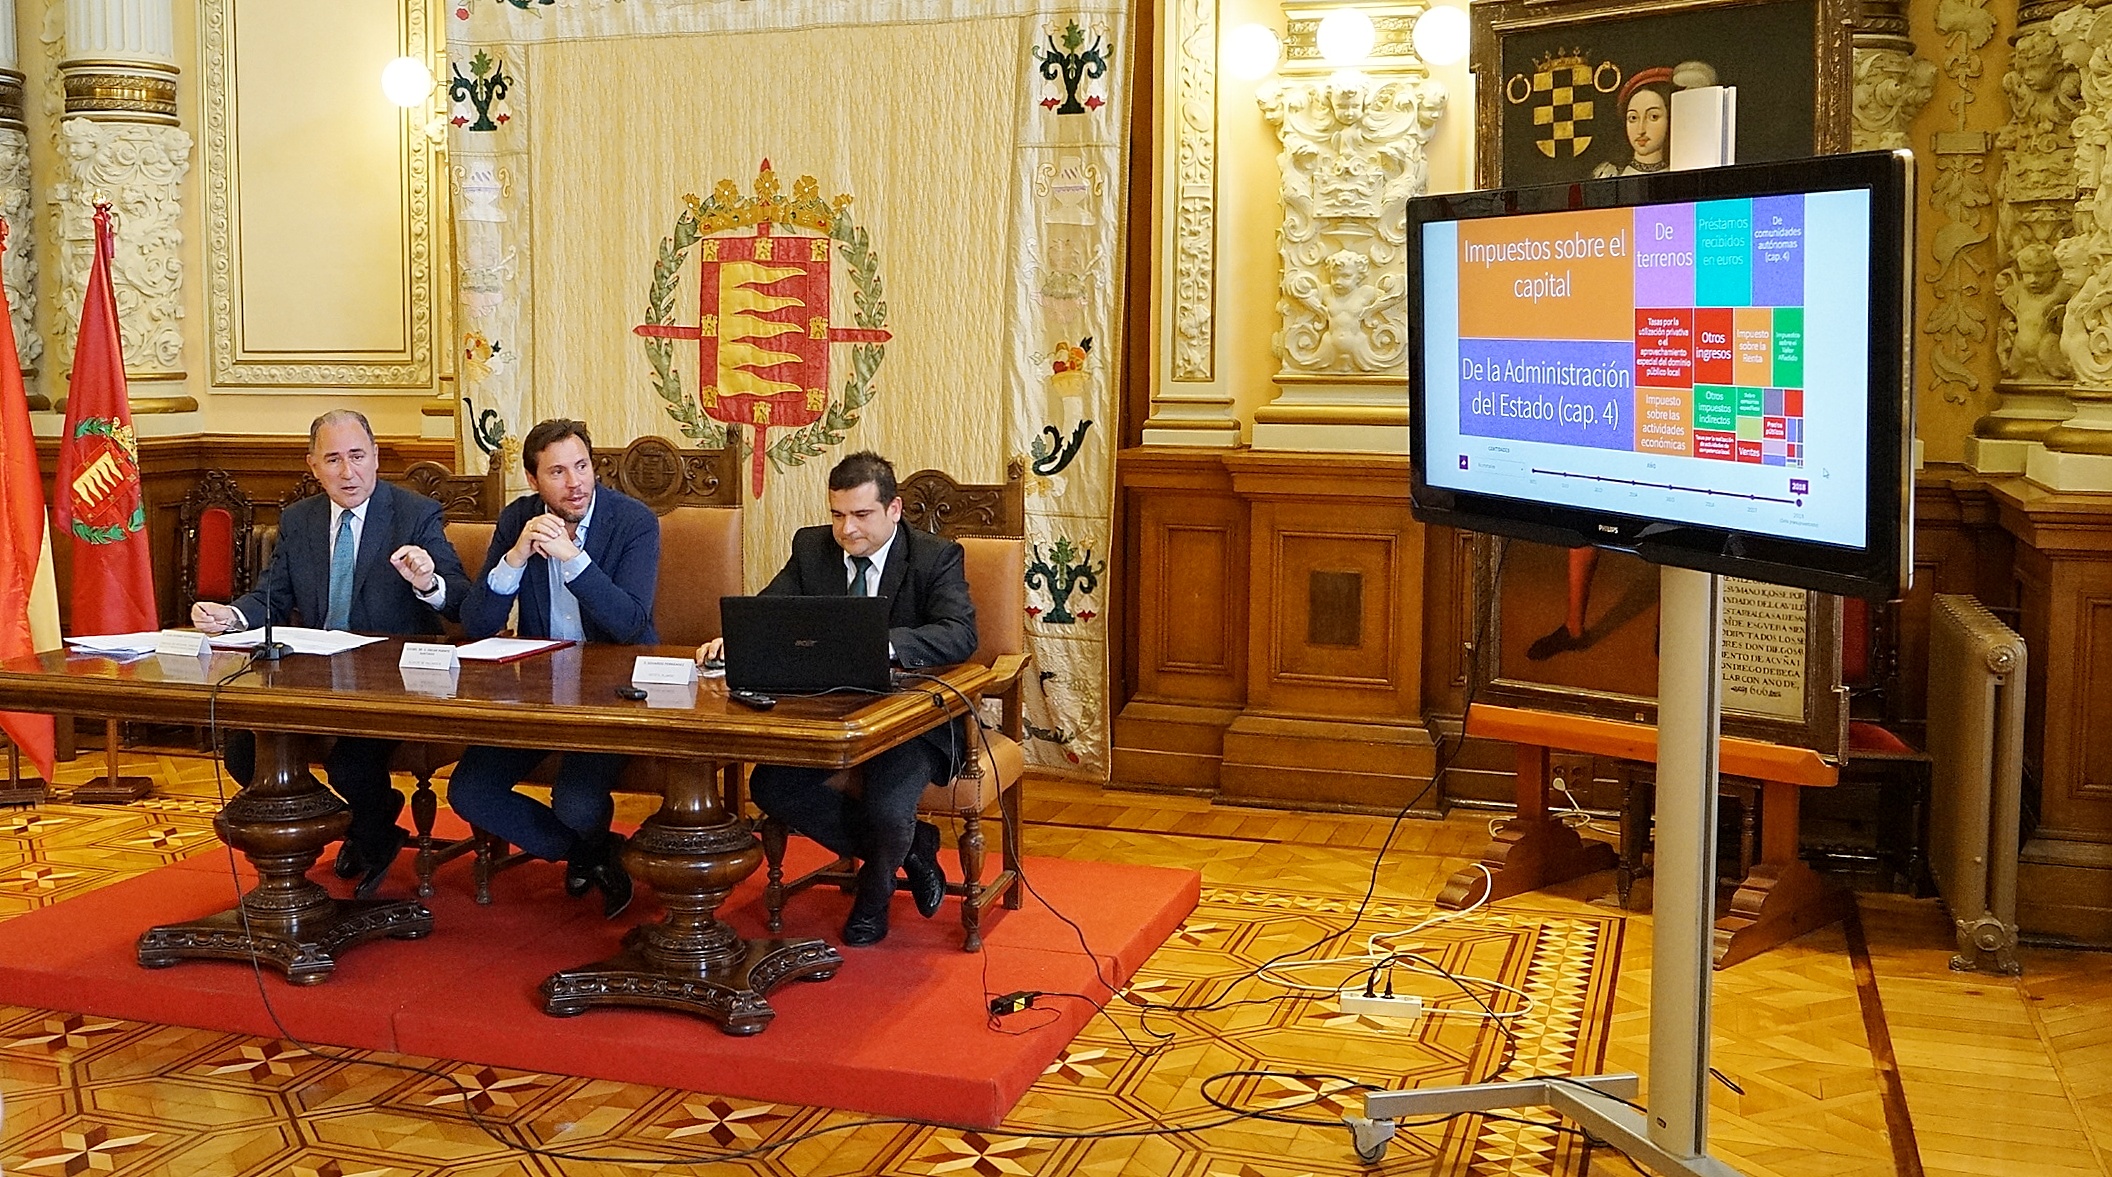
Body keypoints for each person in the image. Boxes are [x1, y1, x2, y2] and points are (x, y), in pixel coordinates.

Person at [696, 451, 976, 946]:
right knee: (772, 786)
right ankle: (913, 848)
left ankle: (874, 891)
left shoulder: (935, 556)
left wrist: (881, 644)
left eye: (862, 515)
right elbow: (770, 611)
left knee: (888, 808)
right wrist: (735, 639)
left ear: (894, 509)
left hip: (909, 720)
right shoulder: (812, 548)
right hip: (827, 714)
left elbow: (959, 634)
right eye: (838, 514)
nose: (847, 529)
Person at [191, 409, 470, 899]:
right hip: (315, 675)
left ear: (376, 457)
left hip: (393, 680)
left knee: (350, 764)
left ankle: (369, 828)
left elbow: (460, 600)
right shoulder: (300, 519)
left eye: (357, 456)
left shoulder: (413, 513)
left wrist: (429, 582)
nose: (348, 471)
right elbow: (272, 597)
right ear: (314, 466)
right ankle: (363, 824)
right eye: (334, 460)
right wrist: (231, 617)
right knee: (243, 752)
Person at [450, 418, 662, 918]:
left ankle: (589, 845)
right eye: (558, 472)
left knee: (575, 802)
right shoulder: (518, 519)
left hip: (615, 692)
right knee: (469, 791)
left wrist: (573, 559)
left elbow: (630, 624)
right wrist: (514, 558)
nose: (576, 483)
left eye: (582, 467)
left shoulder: (632, 521)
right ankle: (593, 853)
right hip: (539, 691)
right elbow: (476, 623)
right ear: (533, 480)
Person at [1592, 67, 1673, 178]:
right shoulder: (1608, 175)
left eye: (1653, 117)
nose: (1641, 130)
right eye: (1633, 118)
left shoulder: (1680, 171)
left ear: (1669, 118)